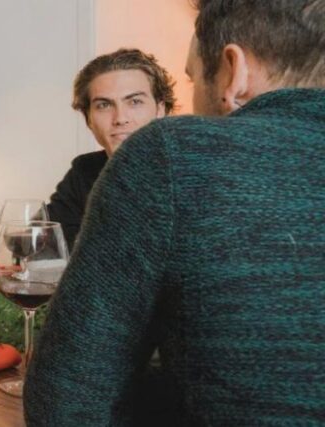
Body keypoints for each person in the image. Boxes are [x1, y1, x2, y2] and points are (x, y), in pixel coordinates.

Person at [25, 1, 325, 425]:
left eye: (192, 77)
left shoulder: (169, 153)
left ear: (233, 71)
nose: (120, 119)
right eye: (103, 106)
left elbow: (68, 398)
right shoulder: (89, 170)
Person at [48, 48, 176, 249]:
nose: (120, 118)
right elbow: (46, 247)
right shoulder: (84, 171)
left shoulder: (190, 173)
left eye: (134, 102)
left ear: (160, 110)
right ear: (88, 118)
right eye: (104, 105)